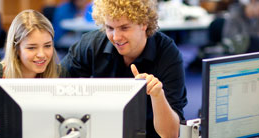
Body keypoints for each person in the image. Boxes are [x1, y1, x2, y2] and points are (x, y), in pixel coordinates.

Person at [60, 0, 187, 137]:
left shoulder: (167, 55)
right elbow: (55, 86)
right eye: (110, 28)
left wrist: (158, 96)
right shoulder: (91, 45)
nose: (116, 37)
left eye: (124, 28)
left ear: (144, 23)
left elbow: (171, 134)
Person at [0, 9, 68, 138]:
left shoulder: (60, 75)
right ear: (16, 49)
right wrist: (24, 127)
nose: (42, 54)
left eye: (47, 46)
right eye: (31, 48)